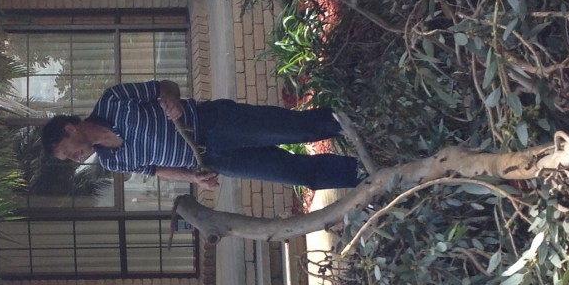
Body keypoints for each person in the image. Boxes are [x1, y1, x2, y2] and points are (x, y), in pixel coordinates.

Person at [40, 79, 362, 190]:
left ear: (70, 128)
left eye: (68, 152)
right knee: (295, 174)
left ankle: (360, 121)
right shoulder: (111, 161)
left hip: (215, 123)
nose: (75, 159)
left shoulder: (112, 100)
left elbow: (163, 86)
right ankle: (364, 175)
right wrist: (194, 178)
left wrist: (171, 99)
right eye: (68, 160)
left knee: (296, 128)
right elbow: (155, 169)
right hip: (214, 160)